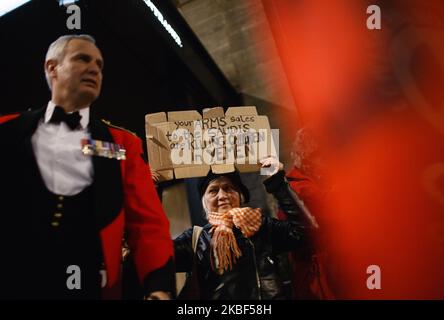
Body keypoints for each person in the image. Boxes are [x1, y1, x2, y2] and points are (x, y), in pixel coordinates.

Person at [0, 34, 174, 299]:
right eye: (82, 59)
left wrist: (159, 287)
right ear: (52, 67)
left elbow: (148, 224)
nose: (94, 68)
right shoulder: (6, 130)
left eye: (99, 65)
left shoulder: (122, 144)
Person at [174, 158, 318, 299]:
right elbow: (158, 258)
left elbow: (305, 233)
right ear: (203, 201)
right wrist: (153, 192)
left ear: (240, 196)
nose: (222, 195)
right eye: (213, 190)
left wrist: (278, 184)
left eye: (228, 188)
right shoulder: (195, 239)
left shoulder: (262, 227)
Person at [282, 128, 335, 299]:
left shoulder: (310, 182)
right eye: (323, 156)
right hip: (318, 274)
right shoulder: (298, 187)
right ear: (309, 157)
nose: (329, 161)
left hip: (325, 270)